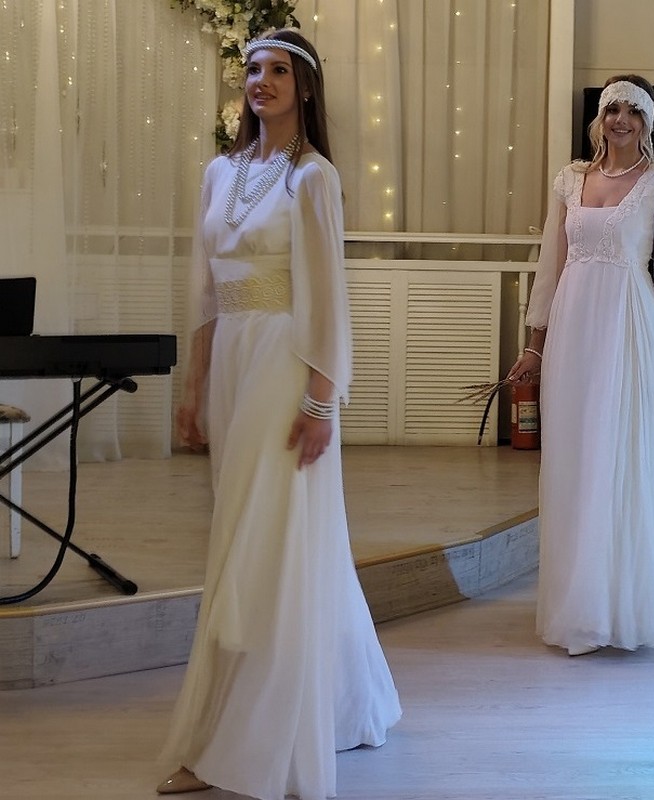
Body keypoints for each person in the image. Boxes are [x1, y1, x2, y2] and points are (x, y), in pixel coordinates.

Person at [157, 29, 401, 799]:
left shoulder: (313, 177)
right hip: (232, 360)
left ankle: (241, 741)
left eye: (278, 71)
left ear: (305, 88)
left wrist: (321, 400)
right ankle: (343, 699)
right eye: (254, 69)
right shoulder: (218, 172)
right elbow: (205, 293)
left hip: (284, 363)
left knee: (258, 543)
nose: (261, 80)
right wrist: (192, 387)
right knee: (270, 536)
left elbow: (329, 300)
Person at [507, 74, 654, 657]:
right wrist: (534, 345)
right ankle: (580, 596)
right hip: (573, 329)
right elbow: (550, 267)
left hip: (627, 328)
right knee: (575, 458)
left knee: (616, 456)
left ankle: (615, 601)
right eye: (613, 109)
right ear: (600, 117)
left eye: (634, 111)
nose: (621, 120)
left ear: (648, 122)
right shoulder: (570, 179)